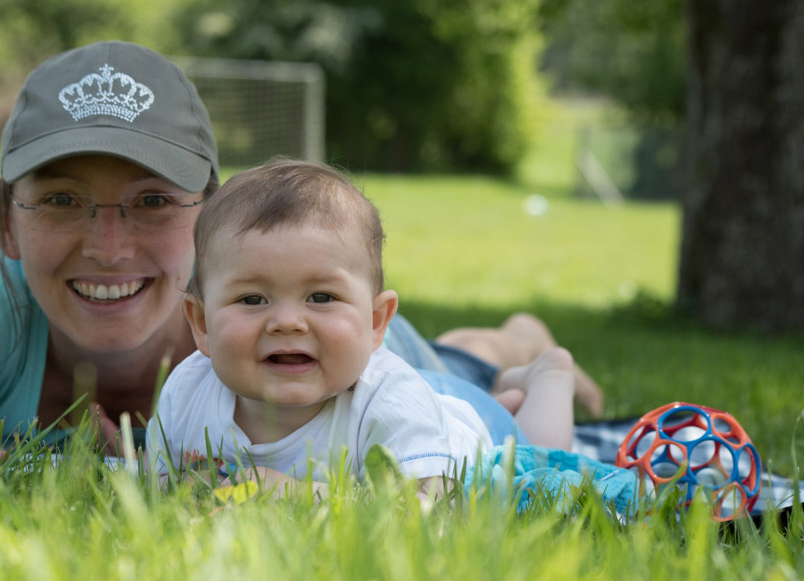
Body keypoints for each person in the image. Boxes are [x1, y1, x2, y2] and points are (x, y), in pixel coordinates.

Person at [0, 39, 596, 455]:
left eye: (153, 203)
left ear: (216, 221)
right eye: (62, 200)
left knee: (473, 384)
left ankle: (518, 340)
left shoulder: (281, 321)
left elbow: (473, 484)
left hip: (397, 371)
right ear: (2, 223)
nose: (108, 245)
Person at [146, 160, 575, 498]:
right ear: (201, 324)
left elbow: (434, 508)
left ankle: (549, 375)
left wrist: (300, 495)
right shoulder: (186, 393)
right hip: (433, 408)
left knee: (545, 457)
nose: (288, 322)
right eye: (253, 300)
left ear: (375, 323)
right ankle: (506, 395)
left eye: (320, 297)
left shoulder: (392, 401)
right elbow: (158, 487)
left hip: (474, 434)